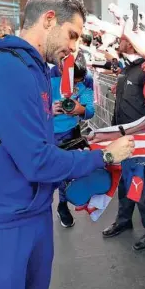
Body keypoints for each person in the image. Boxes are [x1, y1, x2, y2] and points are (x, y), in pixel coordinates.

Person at [0, 0, 135, 289]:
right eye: (72, 35)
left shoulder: (32, 67)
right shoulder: (6, 68)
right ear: (49, 19)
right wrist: (102, 156)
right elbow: (37, 160)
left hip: (28, 212)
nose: (75, 48)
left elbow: (38, 148)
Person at [100, 34, 145, 252]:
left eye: (124, 37)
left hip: (143, 140)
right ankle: (123, 220)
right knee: (125, 182)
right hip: (123, 137)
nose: (119, 40)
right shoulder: (128, 68)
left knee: (143, 186)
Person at [50, 50, 95, 228]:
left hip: (69, 134)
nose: (77, 83)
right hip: (43, 132)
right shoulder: (44, 77)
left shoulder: (86, 80)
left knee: (65, 172)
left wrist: (80, 110)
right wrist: (47, 109)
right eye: (74, 80)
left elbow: (90, 109)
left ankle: (62, 205)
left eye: (79, 81)